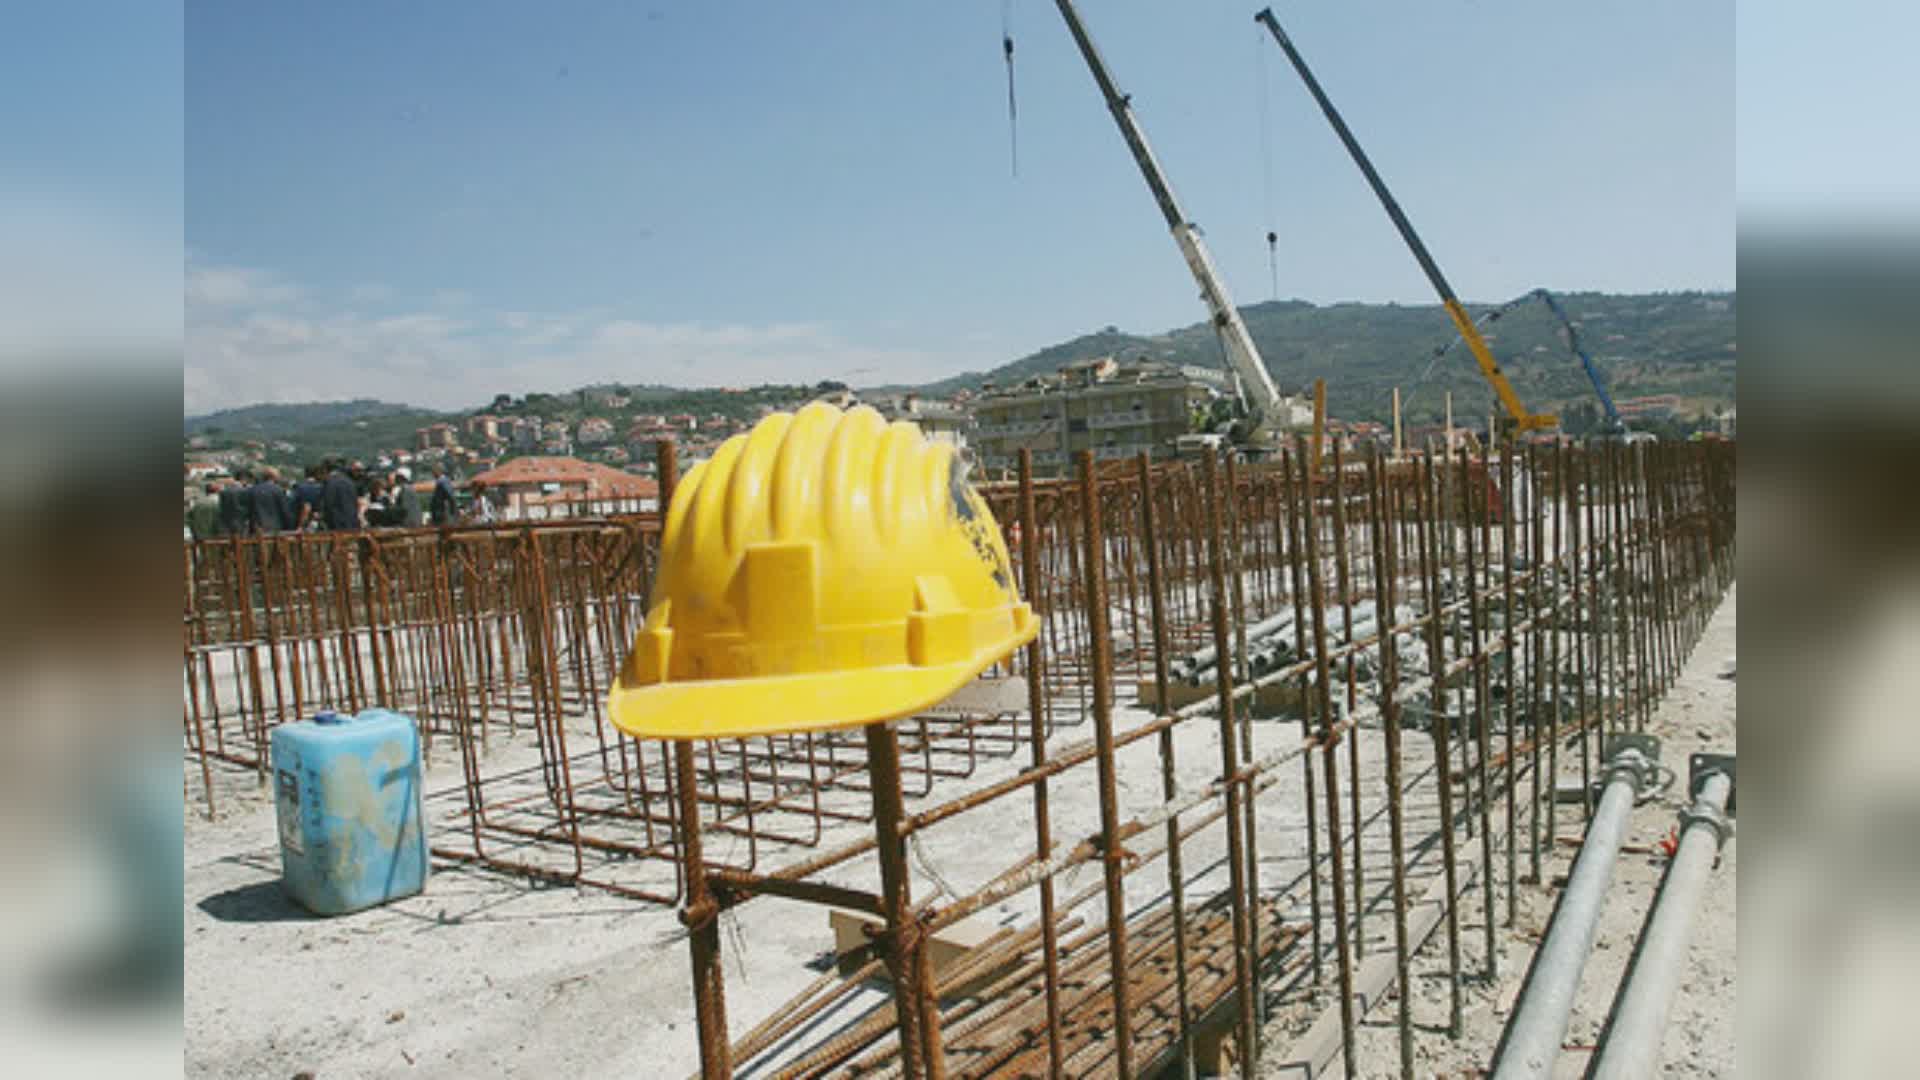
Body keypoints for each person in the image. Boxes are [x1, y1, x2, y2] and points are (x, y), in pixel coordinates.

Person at [249, 467, 295, 535]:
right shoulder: (277, 490)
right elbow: (284, 510)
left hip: (257, 529)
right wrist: (290, 527)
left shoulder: (252, 490)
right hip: (275, 529)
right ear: (274, 477)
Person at [321, 459, 361, 530]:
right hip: (352, 523)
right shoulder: (350, 482)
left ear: (325, 469)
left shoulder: (330, 482)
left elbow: (328, 504)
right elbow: (356, 502)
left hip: (337, 525)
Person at [290, 464, 326, 531]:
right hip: (318, 526)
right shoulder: (322, 488)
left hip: (305, 527)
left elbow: (306, 508)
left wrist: (300, 527)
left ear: (305, 474)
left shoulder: (302, 488)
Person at [217, 469, 252, 536]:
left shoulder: (224, 492)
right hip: (242, 523)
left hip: (226, 524)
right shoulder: (246, 491)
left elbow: (221, 508)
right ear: (244, 478)